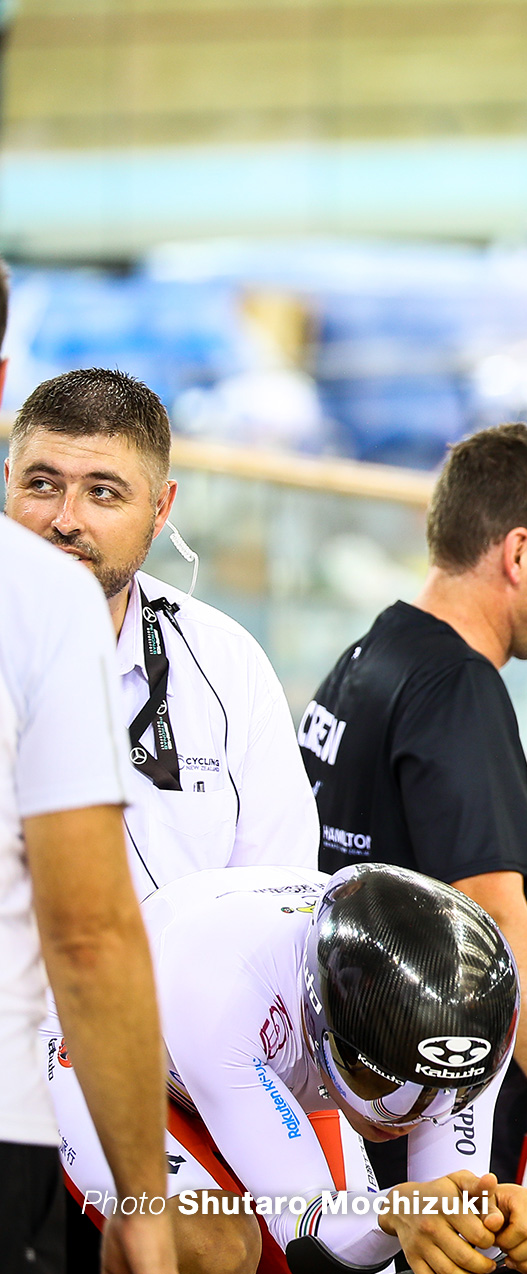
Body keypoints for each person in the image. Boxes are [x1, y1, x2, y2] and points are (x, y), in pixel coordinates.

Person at [302, 423, 527, 1232]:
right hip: (434, 1133)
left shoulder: (372, 657)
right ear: (521, 551)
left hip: (362, 1104)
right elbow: (497, 916)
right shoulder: (454, 689)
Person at [44, 862, 527, 1274]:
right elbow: (307, 1224)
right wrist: (392, 1212)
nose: (410, 1119)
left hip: (270, 1071)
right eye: (383, 1084)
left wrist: (504, 1236)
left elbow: (446, 1224)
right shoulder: (221, 994)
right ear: (321, 1025)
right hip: (112, 1054)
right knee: (214, 1246)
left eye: (449, 1094)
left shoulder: (478, 1014)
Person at [4, 367, 320, 896]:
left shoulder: (227, 667)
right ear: (7, 480)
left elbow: (282, 900)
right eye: (41, 484)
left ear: (160, 508)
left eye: (102, 493)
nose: (65, 519)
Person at [0, 516, 176, 1274]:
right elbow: (89, 937)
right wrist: (141, 1204)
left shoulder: (228, 661)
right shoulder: (39, 592)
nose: (67, 517)